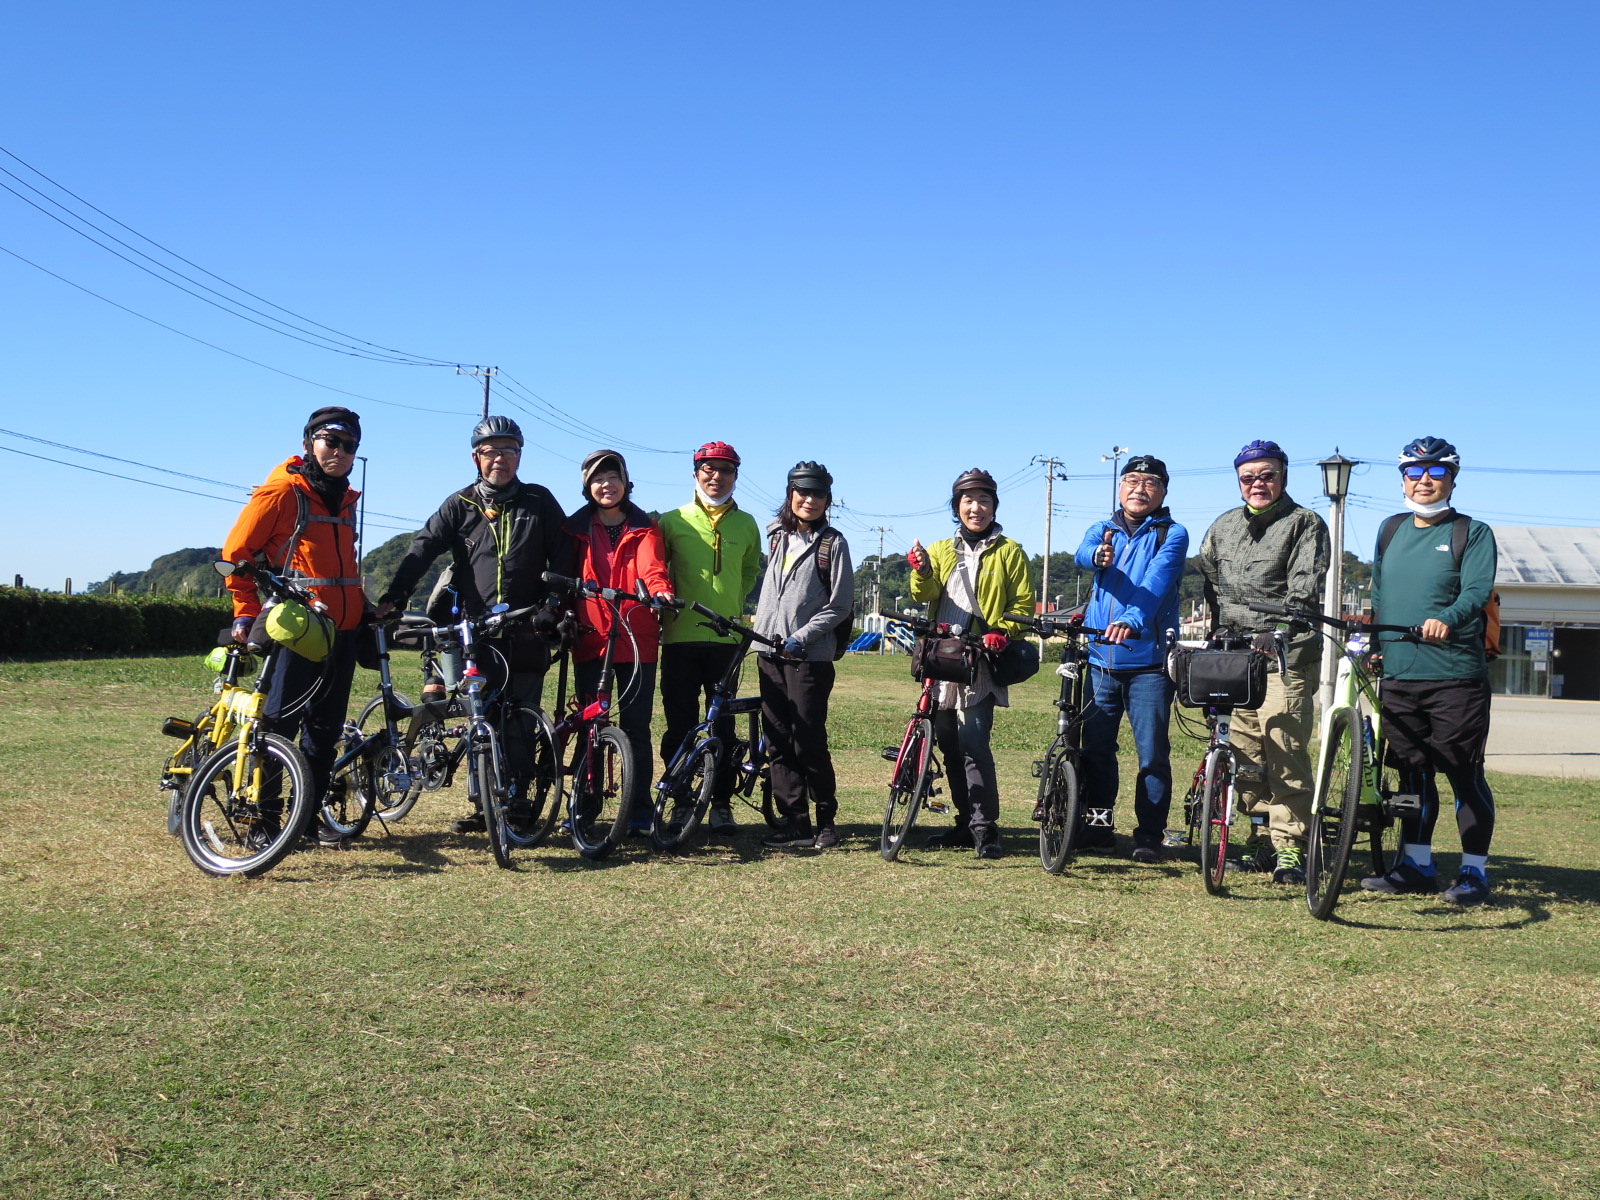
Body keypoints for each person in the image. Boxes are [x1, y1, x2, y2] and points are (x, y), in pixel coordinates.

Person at [376, 415, 575, 831]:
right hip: (475, 630)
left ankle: (517, 803)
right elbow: (423, 547)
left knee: (520, 717)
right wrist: (394, 597)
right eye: (490, 450)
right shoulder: (460, 504)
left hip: (526, 627)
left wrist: (554, 604)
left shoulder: (539, 501)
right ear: (475, 457)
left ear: (520, 456)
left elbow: (565, 556)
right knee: (479, 715)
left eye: (508, 450)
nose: (499, 458)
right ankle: (483, 804)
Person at [221, 405, 372, 844]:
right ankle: (264, 821)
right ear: (309, 443)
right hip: (297, 628)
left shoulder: (344, 500)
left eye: (349, 445)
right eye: (331, 441)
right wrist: (245, 612)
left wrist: (366, 606)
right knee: (278, 725)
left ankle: (304, 818)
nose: (340, 452)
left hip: (341, 631)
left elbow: (343, 568)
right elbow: (236, 557)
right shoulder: (282, 492)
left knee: (324, 731)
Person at [1361, 437, 1499, 907]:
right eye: (1415, 472)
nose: (1425, 480)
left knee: (1463, 771)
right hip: (1400, 674)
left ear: (1452, 478)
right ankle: (1417, 865)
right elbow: (1379, 594)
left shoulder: (1471, 531)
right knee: (1412, 774)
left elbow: (1477, 590)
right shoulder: (1389, 529)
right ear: (1402, 478)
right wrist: (1376, 646)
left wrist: (1450, 618)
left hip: (1455, 673)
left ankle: (1473, 873)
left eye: (1436, 472)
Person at [1196, 440, 1330, 884]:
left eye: (1267, 475)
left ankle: (1291, 846)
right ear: (1238, 481)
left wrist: (1280, 632)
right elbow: (1211, 583)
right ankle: (1258, 838)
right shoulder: (1223, 526)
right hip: (1236, 658)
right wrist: (1217, 632)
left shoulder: (1304, 523)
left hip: (1284, 656)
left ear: (1283, 476)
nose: (1258, 484)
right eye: (1249, 477)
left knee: (1283, 750)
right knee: (1245, 753)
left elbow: (1304, 588)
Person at [907, 468, 1034, 860]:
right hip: (942, 658)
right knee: (947, 744)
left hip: (980, 660)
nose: (975, 507)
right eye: (967, 500)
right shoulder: (943, 548)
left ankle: (985, 827)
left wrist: (1004, 630)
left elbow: (1024, 606)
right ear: (956, 506)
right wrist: (922, 570)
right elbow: (923, 595)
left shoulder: (1010, 551)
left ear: (994, 505)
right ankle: (964, 823)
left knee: (974, 743)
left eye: (983, 500)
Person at [1073, 455, 1188, 864]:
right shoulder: (1102, 529)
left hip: (1149, 665)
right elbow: (1082, 552)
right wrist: (1094, 558)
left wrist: (1131, 618)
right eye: (1132, 480)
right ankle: (1098, 831)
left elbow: (1158, 580)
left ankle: (1149, 836)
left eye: (1150, 483)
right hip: (1101, 661)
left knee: (1152, 755)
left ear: (1163, 492)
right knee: (1096, 752)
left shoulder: (1172, 534)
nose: (1140, 489)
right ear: (1120, 488)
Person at [562, 449, 673, 834]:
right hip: (591, 639)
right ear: (586, 486)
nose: (605, 485)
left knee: (637, 730)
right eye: (597, 478)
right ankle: (584, 806)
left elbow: (652, 569)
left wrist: (659, 592)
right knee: (589, 727)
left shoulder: (647, 527)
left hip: (635, 639)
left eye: (613, 477)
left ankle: (640, 811)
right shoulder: (573, 529)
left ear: (626, 483)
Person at [658, 441, 763, 834]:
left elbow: (751, 570)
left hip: (727, 639)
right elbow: (658, 570)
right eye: (708, 468)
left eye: (725, 470)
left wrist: (733, 601)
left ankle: (719, 802)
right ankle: (681, 800)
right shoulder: (672, 521)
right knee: (680, 723)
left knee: (723, 727)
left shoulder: (748, 523)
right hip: (680, 637)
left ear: (736, 476)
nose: (715, 476)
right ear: (695, 472)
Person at [753, 462, 855, 850]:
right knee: (777, 738)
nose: (809, 500)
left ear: (827, 499)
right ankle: (794, 819)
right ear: (790, 493)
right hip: (768, 652)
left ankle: (826, 818)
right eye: (802, 492)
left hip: (808, 657)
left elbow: (839, 605)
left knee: (808, 738)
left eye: (817, 494)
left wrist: (800, 636)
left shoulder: (833, 543)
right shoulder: (776, 536)